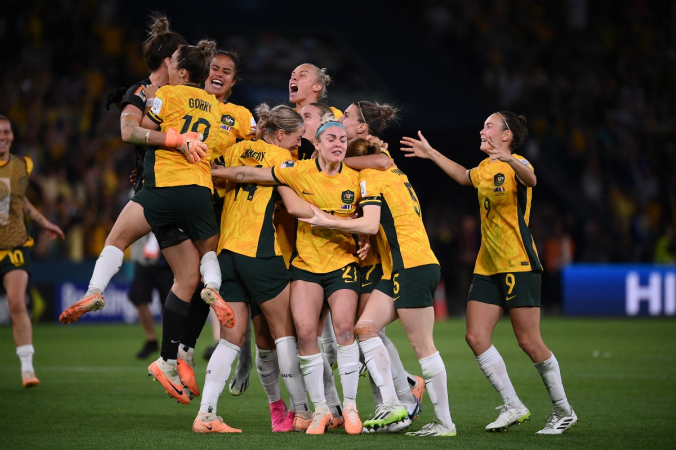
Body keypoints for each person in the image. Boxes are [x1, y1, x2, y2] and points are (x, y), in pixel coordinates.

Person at [59, 40, 235, 406]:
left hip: (159, 190)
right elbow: (212, 146)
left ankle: (95, 291)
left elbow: (133, 131)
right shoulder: (216, 109)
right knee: (199, 269)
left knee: (116, 238)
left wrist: (172, 137)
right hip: (200, 192)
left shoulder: (161, 95)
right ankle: (180, 348)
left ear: (180, 71)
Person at [400, 112, 577, 435]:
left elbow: (532, 180)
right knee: (476, 336)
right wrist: (432, 153)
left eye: (488, 126)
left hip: (518, 263)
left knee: (528, 341)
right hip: (488, 265)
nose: (482, 130)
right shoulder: (485, 168)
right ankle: (513, 404)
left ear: (507, 135)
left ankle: (563, 410)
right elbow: (464, 176)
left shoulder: (517, 164)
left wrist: (510, 159)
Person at [211, 118, 365, 435]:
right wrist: (216, 171)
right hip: (293, 261)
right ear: (316, 145)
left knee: (342, 330)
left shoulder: (355, 179)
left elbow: (373, 214)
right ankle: (314, 410)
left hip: (333, 262)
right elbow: (257, 177)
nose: (338, 144)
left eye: (343, 139)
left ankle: (345, 408)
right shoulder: (293, 169)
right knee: (299, 335)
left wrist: (366, 241)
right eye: (331, 138)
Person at [299, 144, 458, 437]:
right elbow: (386, 219)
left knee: (423, 347)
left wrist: (328, 220)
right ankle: (392, 404)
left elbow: (372, 223)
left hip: (413, 265)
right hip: (396, 267)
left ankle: (445, 422)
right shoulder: (394, 172)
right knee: (365, 328)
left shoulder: (371, 175)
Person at [194, 104, 311, 433]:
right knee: (284, 333)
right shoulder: (284, 162)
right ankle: (301, 411)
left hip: (226, 252)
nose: (298, 145)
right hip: (261, 253)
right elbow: (295, 204)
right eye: (296, 138)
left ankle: (206, 414)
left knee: (231, 340)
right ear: (280, 134)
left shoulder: (232, 152)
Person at [0, 115, 65, 387]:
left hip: (14, 243)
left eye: (6, 131)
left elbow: (21, 201)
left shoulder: (21, 165)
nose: (3, 136)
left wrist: (45, 222)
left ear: (12, 135)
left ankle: (27, 369)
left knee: (16, 302)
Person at [128, 232, 173, 359]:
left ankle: (168, 344)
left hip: (166, 262)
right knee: (139, 298)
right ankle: (151, 339)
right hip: (143, 260)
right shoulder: (139, 212)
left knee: (170, 304)